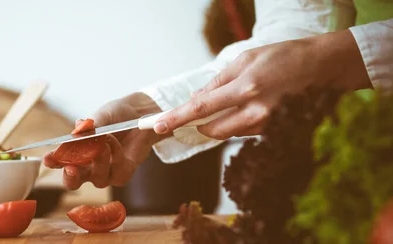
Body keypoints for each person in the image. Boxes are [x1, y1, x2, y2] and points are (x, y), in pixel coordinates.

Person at [44, 0, 393, 191]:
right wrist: (146, 112)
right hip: (368, 156)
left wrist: (345, 58)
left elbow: (313, 52)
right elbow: (295, 28)